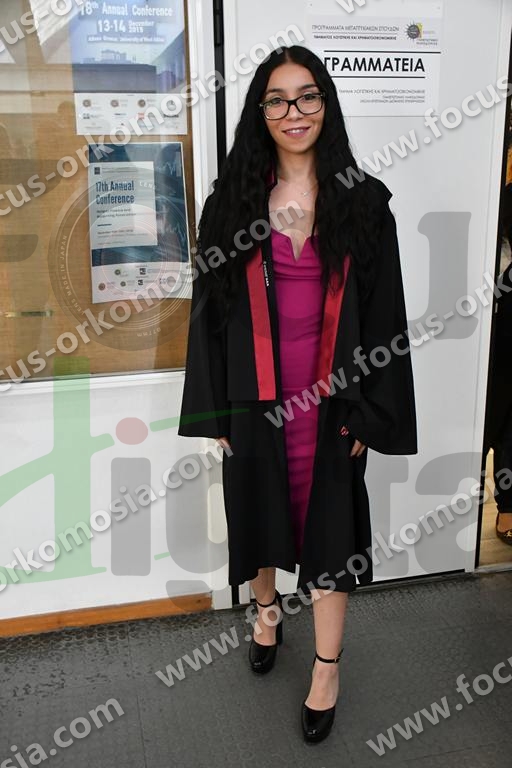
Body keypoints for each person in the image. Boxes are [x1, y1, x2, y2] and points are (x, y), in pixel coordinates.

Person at [178, 45, 417, 743]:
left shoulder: (363, 201)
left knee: (331, 533)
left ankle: (326, 668)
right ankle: (266, 611)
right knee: (257, 513)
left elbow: (386, 314)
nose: (294, 111)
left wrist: (371, 410)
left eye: (307, 96)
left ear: (325, 105)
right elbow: (209, 312)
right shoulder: (231, 204)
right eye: (278, 99)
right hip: (254, 399)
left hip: (332, 404)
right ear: (261, 113)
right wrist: (215, 409)